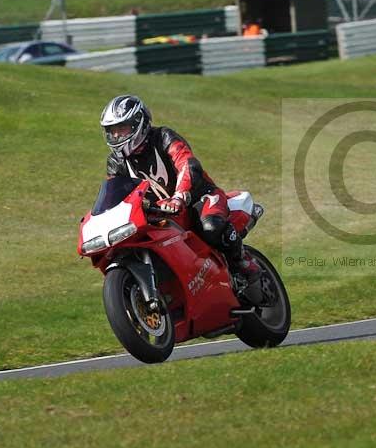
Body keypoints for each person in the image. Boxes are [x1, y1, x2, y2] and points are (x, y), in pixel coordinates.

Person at [99, 94, 264, 305]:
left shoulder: (163, 137)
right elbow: (115, 194)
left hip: (199, 196)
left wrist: (179, 196)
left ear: (139, 123)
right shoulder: (116, 162)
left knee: (211, 227)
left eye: (121, 128)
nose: (116, 135)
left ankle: (245, 264)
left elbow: (186, 163)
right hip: (159, 213)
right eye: (112, 131)